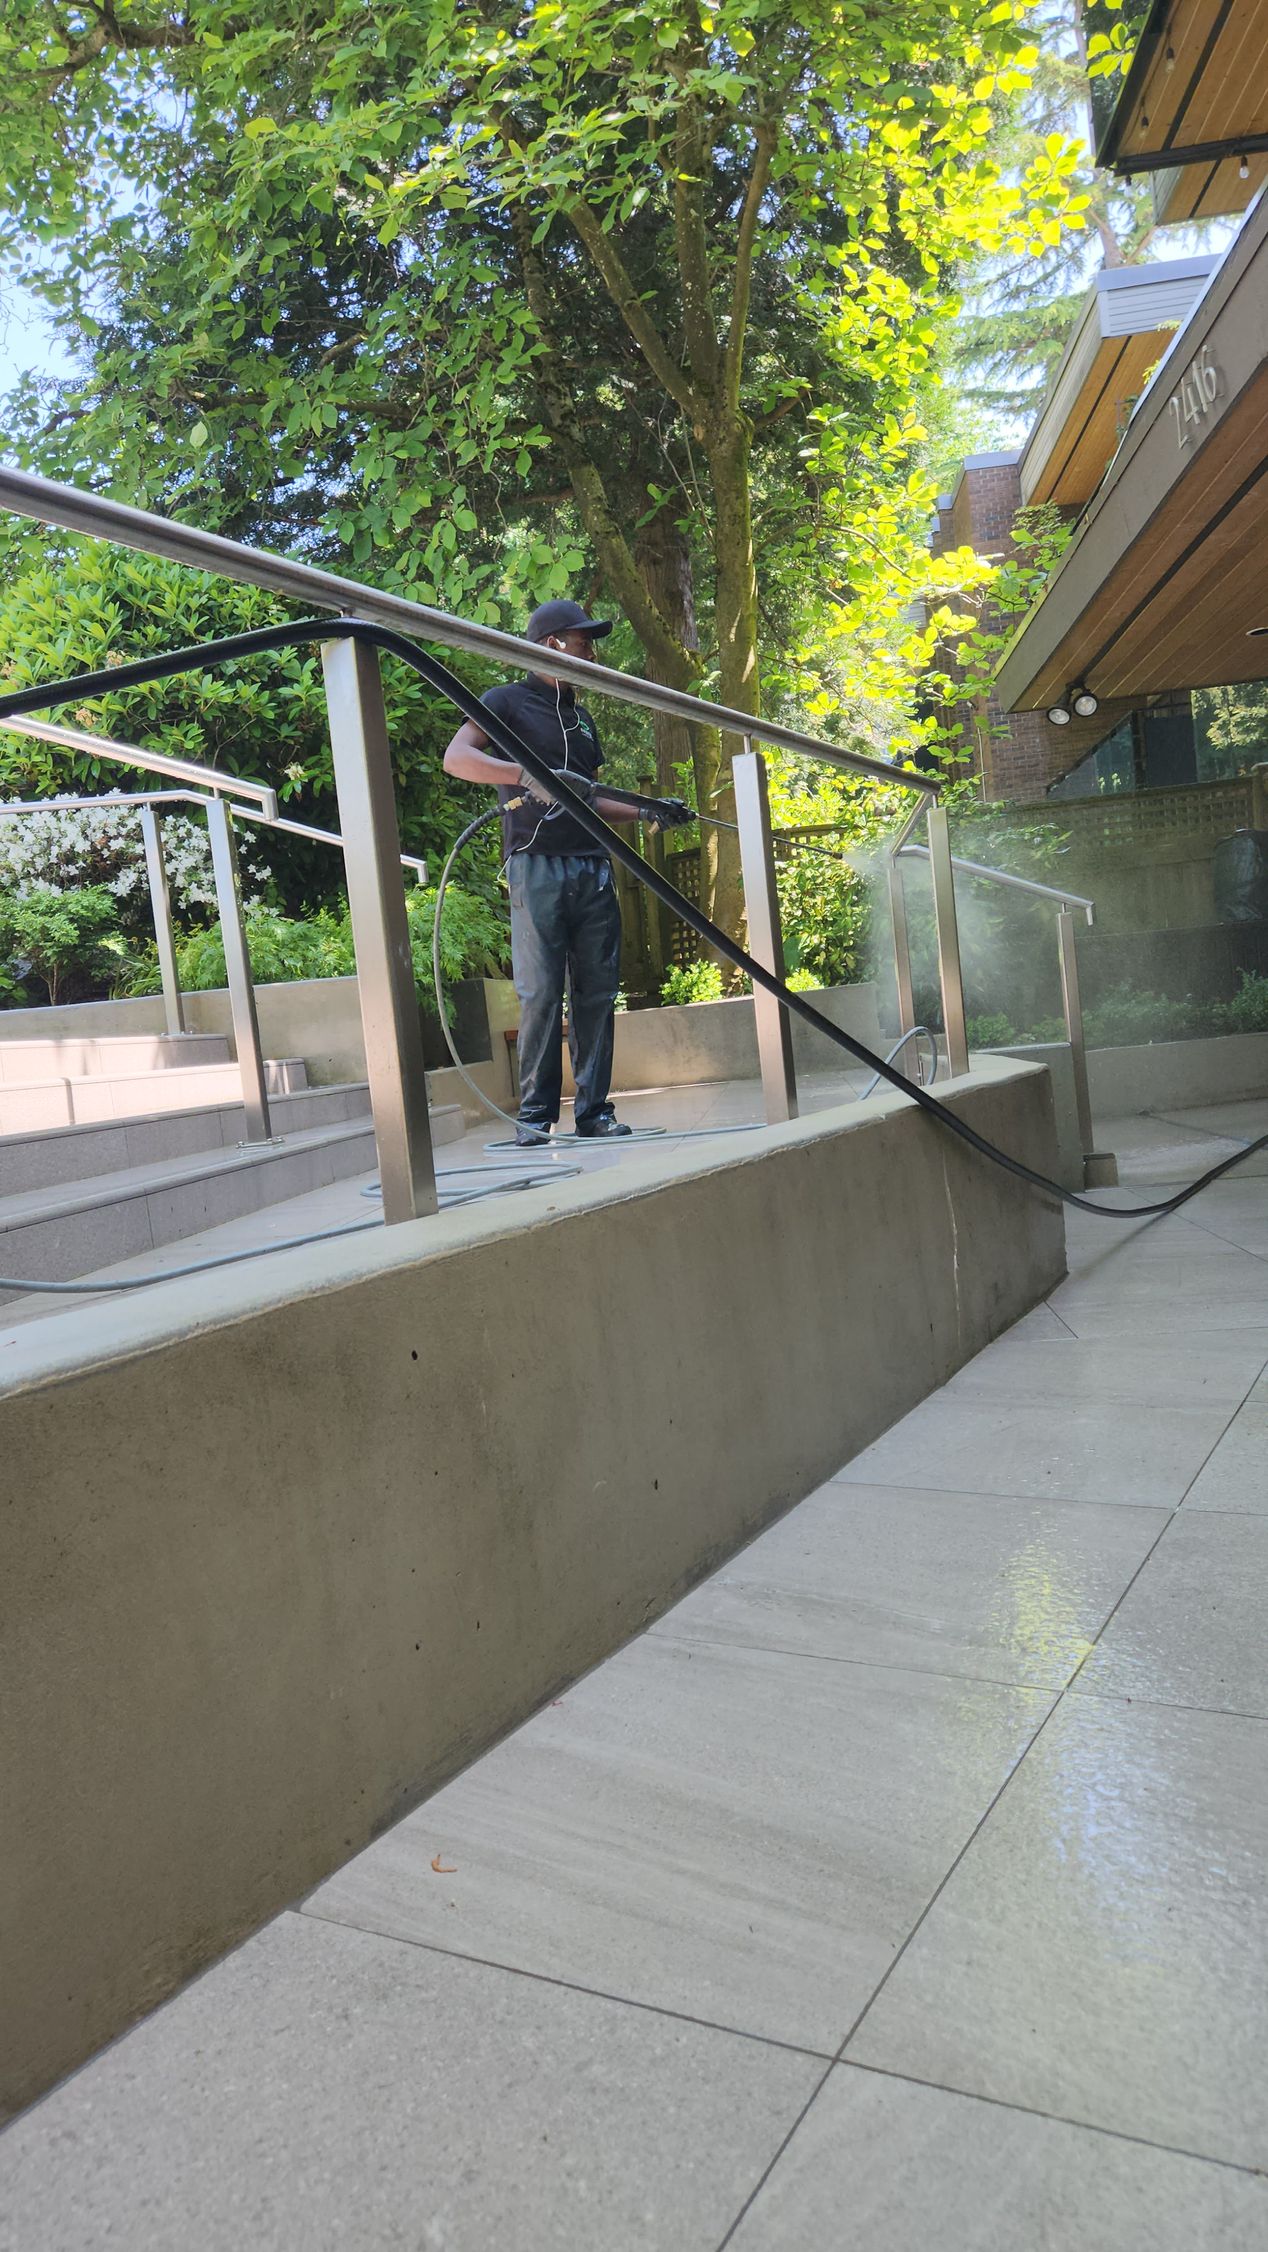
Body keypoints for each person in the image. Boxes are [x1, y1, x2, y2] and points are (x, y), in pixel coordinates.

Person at [443, 598, 690, 1144]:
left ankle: (594, 1112)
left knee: (597, 994)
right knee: (540, 993)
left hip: (593, 865)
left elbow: (590, 797)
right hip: (536, 863)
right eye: (583, 641)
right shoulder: (505, 701)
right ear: (552, 643)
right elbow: (456, 758)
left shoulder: (583, 718)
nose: (591, 650)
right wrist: (526, 774)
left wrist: (649, 809)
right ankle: (534, 1117)